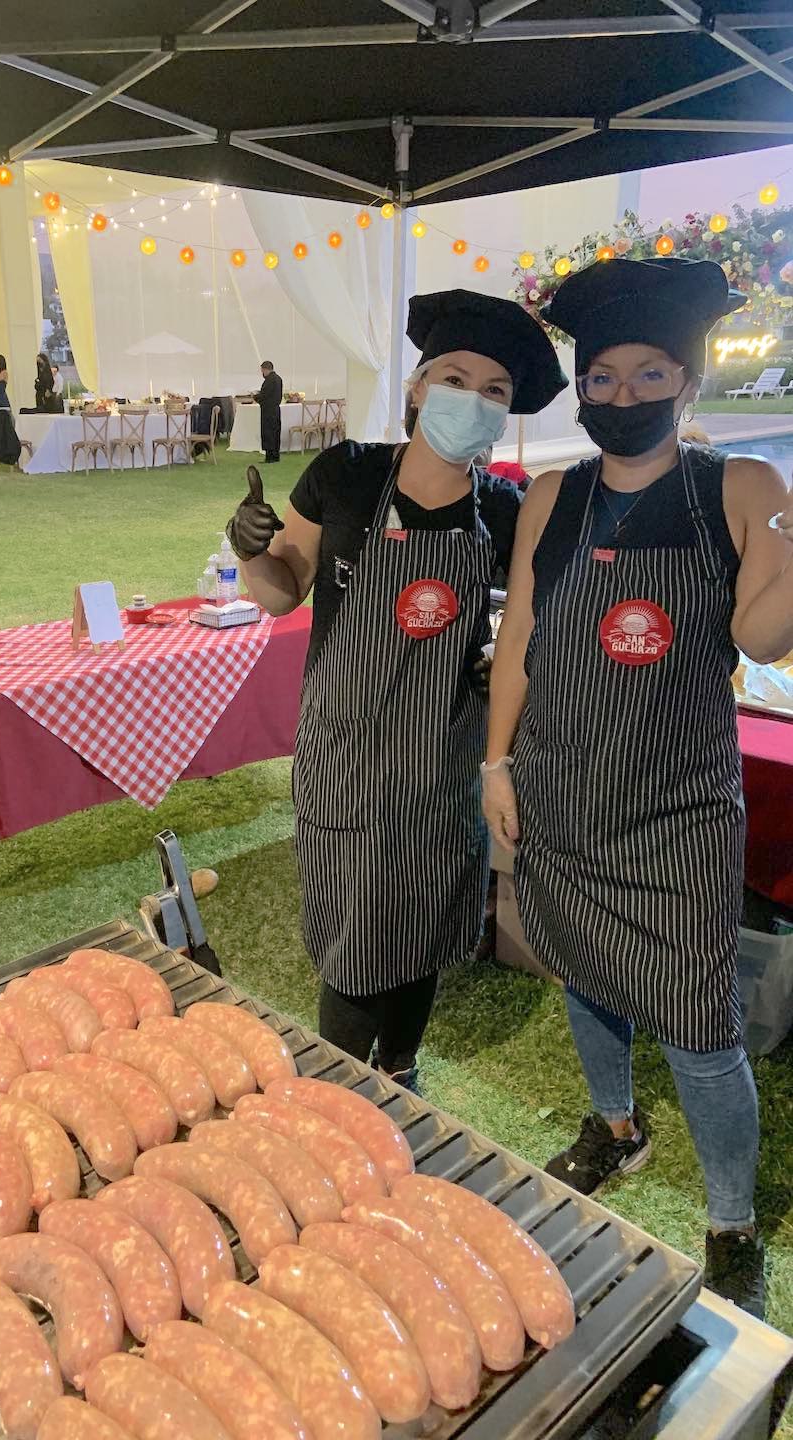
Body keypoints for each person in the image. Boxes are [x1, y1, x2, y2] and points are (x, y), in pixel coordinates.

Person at [483, 257, 793, 1318]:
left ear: (690, 382)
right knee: (583, 974)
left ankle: (731, 1220)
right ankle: (615, 1126)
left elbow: (761, 637)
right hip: (561, 793)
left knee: (703, 1031)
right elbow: (519, 636)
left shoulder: (739, 489)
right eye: (603, 378)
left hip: (678, 814)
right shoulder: (555, 498)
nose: (626, 397)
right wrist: (494, 763)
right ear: (582, 388)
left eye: (652, 374)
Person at [227, 291, 566, 1089]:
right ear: (417, 388)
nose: (471, 402)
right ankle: (339, 1088)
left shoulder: (509, 512)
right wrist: (249, 551)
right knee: (352, 932)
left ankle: (402, 1069)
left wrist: (499, 659)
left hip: (442, 759)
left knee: (420, 923)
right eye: (455, 378)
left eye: (495, 393)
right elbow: (284, 588)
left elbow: (524, 630)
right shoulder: (346, 475)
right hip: (346, 750)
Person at [255, 360, 283, 463]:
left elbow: (264, 395)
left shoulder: (269, 380)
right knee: (275, 433)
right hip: (276, 410)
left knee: (268, 433)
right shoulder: (278, 379)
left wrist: (255, 396)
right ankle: (276, 455)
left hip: (268, 411)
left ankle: (269, 457)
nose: (262, 373)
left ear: (266, 369)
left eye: (262, 370)